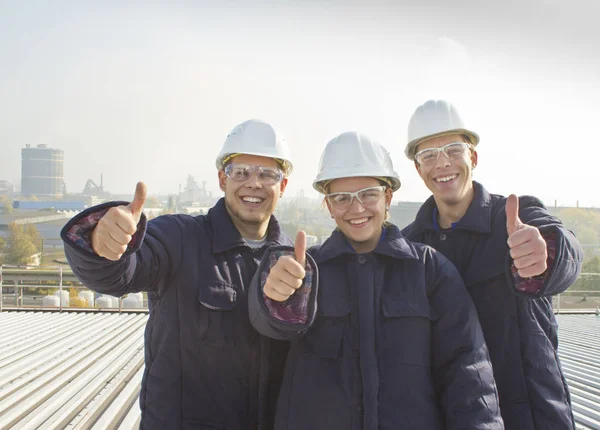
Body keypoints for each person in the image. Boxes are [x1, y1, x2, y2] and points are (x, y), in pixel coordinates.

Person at [248, 132, 504, 430]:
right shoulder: (305, 272)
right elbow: (266, 325)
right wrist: (274, 297)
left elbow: (467, 372)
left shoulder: (429, 271)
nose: (356, 209)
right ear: (328, 206)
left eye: (368, 194)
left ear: (388, 197)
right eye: (341, 198)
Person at [61, 119, 294, 429]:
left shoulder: (291, 261)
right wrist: (101, 245)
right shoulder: (179, 239)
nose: (254, 183)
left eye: (268, 174)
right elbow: (119, 274)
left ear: (284, 185)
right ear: (222, 180)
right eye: (241, 172)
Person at [401, 100, 584, 430]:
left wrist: (547, 254)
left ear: (473, 157)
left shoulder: (516, 217)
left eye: (453, 150)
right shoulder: (411, 246)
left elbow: (567, 250)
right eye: (428, 155)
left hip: (532, 413)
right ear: (418, 169)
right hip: (456, 415)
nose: (442, 163)